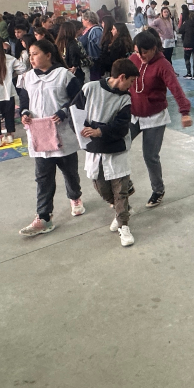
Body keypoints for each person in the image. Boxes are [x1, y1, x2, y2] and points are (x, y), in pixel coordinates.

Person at [17, 39, 86, 236]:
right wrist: (24, 112)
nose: (31, 58)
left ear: (48, 55)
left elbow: (79, 99)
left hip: (63, 134)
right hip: (39, 135)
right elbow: (24, 99)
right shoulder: (28, 77)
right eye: (30, 55)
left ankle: (75, 196)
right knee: (43, 177)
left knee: (69, 172)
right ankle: (44, 217)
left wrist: (64, 111)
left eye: (35, 54)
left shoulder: (64, 75)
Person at [73, 58, 140, 247]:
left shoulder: (125, 98)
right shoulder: (90, 88)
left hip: (117, 149)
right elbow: (75, 112)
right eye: (131, 81)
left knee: (120, 190)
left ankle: (124, 226)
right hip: (94, 149)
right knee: (101, 186)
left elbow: (121, 126)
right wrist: (82, 131)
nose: (131, 86)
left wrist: (100, 131)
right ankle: (122, 209)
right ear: (122, 77)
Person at [128, 30, 193, 208]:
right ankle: (125, 184)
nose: (140, 56)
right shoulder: (133, 60)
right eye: (137, 52)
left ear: (154, 49)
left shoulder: (163, 65)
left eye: (144, 52)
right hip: (133, 115)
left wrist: (185, 112)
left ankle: (158, 190)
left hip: (154, 118)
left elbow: (176, 88)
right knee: (119, 148)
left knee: (150, 156)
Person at [80, 12, 105, 81]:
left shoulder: (96, 31)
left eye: (83, 19)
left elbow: (100, 45)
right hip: (90, 61)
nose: (82, 21)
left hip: (95, 60)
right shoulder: (88, 30)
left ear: (88, 20)